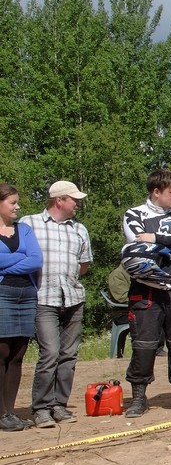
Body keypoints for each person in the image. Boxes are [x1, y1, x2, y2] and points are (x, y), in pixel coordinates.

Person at [119, 169, 171, 418]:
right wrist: (170, 241)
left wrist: (155, 237)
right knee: (144, 344)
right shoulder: (134, 214)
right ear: (156, 192)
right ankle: (138, 397)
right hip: (145, 289)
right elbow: (137, 243)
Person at [24, 180, 92, 428]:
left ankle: (59, 405)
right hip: (44, 297)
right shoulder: (29, 224)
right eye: (74, 199)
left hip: (73, 298)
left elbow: (84, 265)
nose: (78, 203)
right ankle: (41, 408)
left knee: (69, 355)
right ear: (59, 200)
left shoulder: (79, 229)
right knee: (50, 353)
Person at [0, 184, 42, 431]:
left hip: (26, 294)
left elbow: (36, 259)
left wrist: (5, 266)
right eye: (12, 202)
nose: (17, 207)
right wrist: (20, 260)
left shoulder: (24, 229)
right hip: (3, 293)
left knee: (18, 354)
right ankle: (1, 414)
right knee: (2, 352)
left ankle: (10, 412)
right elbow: (27, 260)